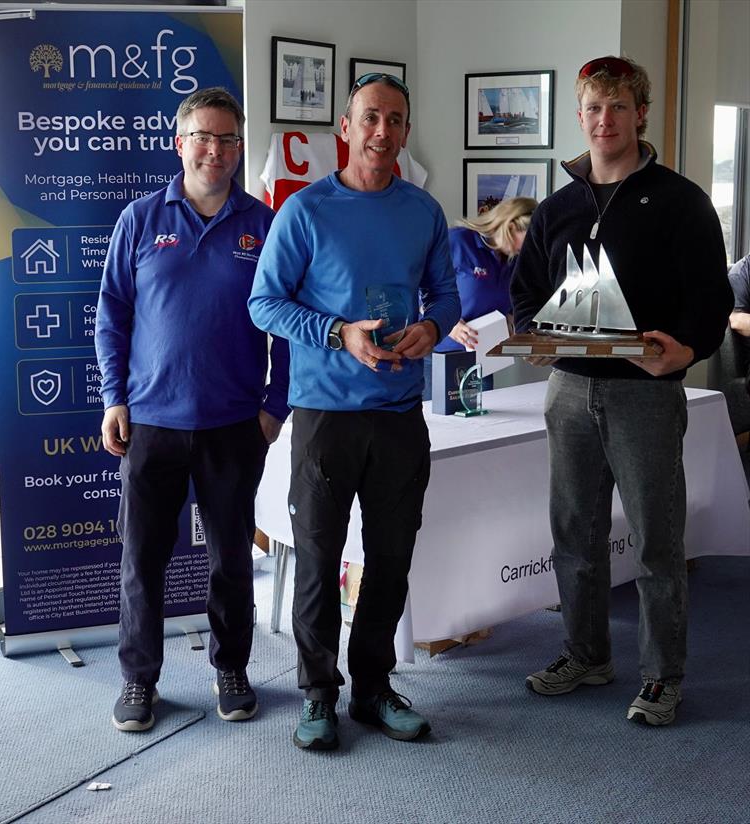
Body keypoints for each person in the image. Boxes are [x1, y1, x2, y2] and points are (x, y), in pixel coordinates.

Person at [510, 56, 733, 726]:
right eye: (593, 108)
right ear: (579, 117)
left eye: (617, 107)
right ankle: (586, 653)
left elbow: (712, 299)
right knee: (573, 534)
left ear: (640, 114)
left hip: (644, 393)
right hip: (568, 390)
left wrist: (688, 352)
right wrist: (532, 335)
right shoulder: (556, 209)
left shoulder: (681, 200)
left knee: (656, 541)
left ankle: (662, 676)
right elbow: (523, 295)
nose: (604, 120)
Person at [248, 72, 460, 750]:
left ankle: (373, 689)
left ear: (404, 131)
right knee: (318, 561)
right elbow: (265, 303)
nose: (383, 132)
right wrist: (339, 334)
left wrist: (433, 328)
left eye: (395, 120)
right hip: (325, 417)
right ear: (345, 127)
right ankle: (317, 696)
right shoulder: (305, 211)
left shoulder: (422, 211)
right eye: (370, 118)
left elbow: (447, 296)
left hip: (400, 412)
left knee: (391, 559)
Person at [95, 87, 289, 732]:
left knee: (232, 560)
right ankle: (138, 681)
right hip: (151, 424)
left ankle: (230, 667)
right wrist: (114, 398)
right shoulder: (141, 220)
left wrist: (275, 407)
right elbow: (111, 316)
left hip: (235, 426)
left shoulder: (264, 227)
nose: (215, 149)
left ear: (240, 147)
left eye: (228, 138)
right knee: (142, 562)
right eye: (202, 137)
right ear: (179, 144)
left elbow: (286, 325)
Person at [424, 197, 536, 398]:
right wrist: (449, 323)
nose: (530, 248)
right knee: (440, 425)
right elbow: (419, 288)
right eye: (528, 239)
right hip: (441, 354)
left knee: (483, 424)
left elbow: (510, 300)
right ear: (510, 228)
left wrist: (511, 318)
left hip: (483, 357)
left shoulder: (515, 261)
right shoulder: (458, 242)